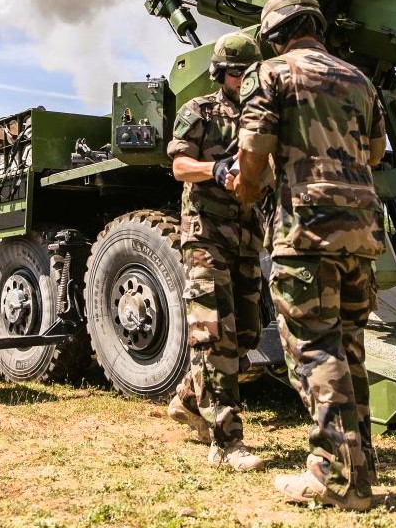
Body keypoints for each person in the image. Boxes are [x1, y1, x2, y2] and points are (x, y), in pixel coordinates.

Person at [226, 0, 386, 511]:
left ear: (273, 35)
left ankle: (338, 478)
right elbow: (378, 151)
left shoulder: (270, 74)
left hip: (307, 231)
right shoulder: (359, 79)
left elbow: (253, 149)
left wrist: (250, 188)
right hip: (361, 233)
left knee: (315, 349)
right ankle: (361, 462)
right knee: (349, 346)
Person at [165, 30, 268, 472]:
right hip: (206, 236)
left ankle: (189, 399)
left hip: (247, 238)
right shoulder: (199, 111)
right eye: (234, 73)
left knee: (246, 336)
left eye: (248, 73)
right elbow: (178, 165)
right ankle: (226, 443)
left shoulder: (263, 116)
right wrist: (216, 168)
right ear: (220, 73)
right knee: (213, 337)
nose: (241, 80)